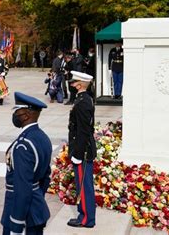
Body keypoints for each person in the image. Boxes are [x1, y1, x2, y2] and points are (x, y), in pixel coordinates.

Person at [1, 92, 52, 235]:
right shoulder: (42, 137)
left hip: (23, 216)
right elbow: (46, 176)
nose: (15, 115)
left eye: (17, 111)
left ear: (26, 114)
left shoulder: (23, 145)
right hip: (35, 210)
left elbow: (22, 187)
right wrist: (37, 196)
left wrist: (17, 225)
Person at [66, 71, 97, 229]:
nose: (71, 84)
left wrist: (78, 154)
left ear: (79, 84)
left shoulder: (83, 101)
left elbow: (83, 130)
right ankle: (85, 214)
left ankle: (86, 219)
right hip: (82, 148)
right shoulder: (83, 98)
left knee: (84, 186)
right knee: (83, 185)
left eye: (73, 82)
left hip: (83, 151)